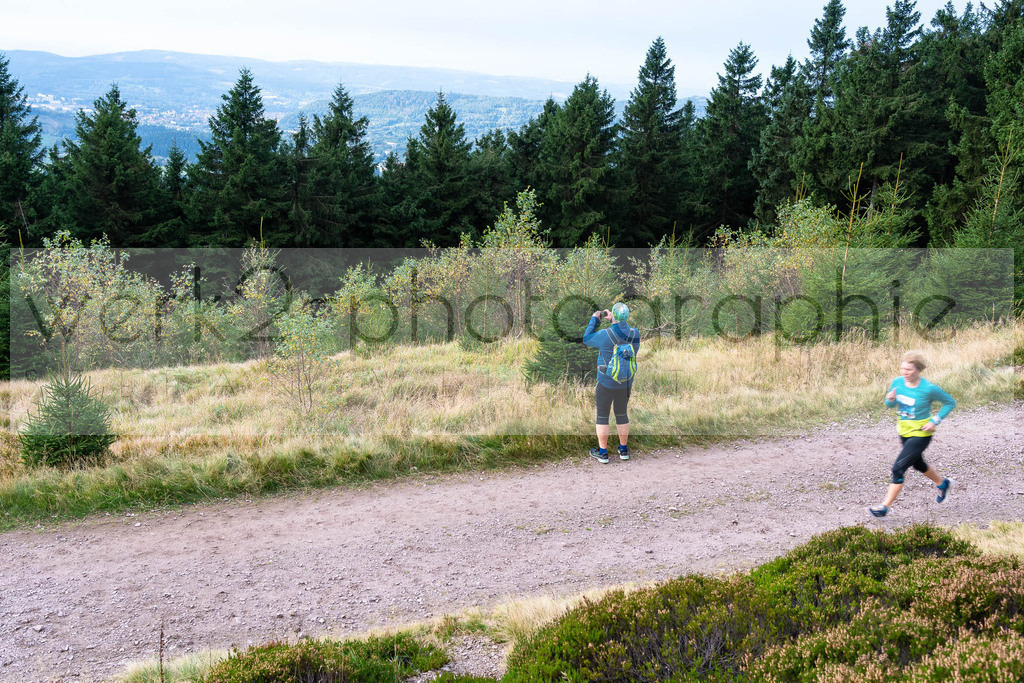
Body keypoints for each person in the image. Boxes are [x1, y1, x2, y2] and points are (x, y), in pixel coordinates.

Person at [869, 350, 955, 517]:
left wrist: (935, 420)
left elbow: (949, 402)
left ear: (918, 370)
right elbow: (889, 404)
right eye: (903, 369)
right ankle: (943, 484)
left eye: (909, 370)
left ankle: (884, 507)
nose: (905, 373)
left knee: (898, 468)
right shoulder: (897, 382)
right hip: (904, 430)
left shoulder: (928, 389)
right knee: (918, 464)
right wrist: (890, 400)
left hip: (921, 433)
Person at [583, 302, 640, 464]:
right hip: (626, 382)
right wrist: (614, 321)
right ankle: (624, 450)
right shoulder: (635, 333)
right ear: (627, 316)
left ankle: (603, 453)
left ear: (613, 315)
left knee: (602, 415)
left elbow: (586, 338)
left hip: (606, 382)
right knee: (622, 413)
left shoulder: (605, 334)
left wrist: (595, 319)